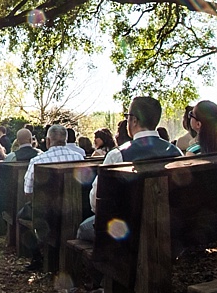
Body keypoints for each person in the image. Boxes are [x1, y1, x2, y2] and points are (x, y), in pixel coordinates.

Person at [77, 96, 183, 242]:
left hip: (129, 231)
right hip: (169, 226)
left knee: (83, 229)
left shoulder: (117, 155)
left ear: (133, 120)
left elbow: (96, 203)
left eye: (127, 117)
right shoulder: (177, 152)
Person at [21, 124, 86, 271]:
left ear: (48, 141)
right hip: (76, 209)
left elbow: (28, 191)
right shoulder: (79, 157)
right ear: (66, 140)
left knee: (22, 216)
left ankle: (37, 257)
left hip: (47, 214)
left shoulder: (38, 160)